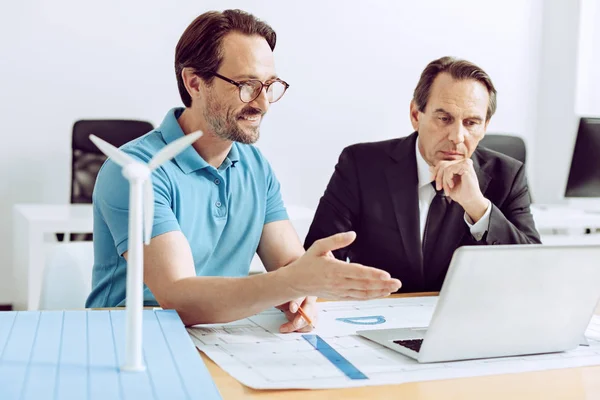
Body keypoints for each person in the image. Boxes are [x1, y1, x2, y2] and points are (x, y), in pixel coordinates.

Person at [85, 9, 402, 329]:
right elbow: (179, 298)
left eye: (270, 85)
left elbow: (291, 263)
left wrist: (308, 286)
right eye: (247, 85)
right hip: (132, 341)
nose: (263, 103)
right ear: (195, 82)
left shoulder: (255, 167)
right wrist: (294, 282)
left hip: (221, 338)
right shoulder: (135, 172)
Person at [304, 56, 541, 293]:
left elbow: (532, 271)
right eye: (444, 119)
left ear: (485, 126)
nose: (457, 136)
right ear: (416, 115)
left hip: (466, 320)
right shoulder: (360, 165)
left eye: (471, 123)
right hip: (379, 313)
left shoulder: (508, 176)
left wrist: (478, 208)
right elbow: (317, 259)